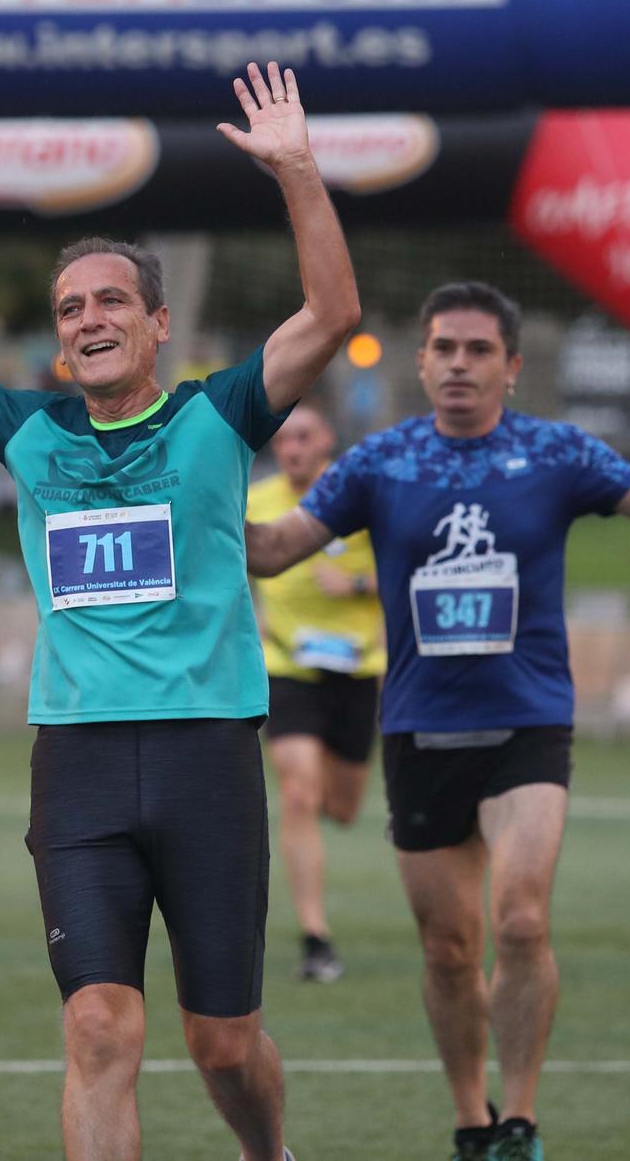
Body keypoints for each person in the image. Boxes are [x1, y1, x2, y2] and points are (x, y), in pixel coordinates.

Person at [0, 62, 357, 1161]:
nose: (88, 319)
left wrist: (297, 171)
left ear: (158, 323)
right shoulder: (24, 428)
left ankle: (269, 1151)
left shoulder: (221, 414)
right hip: (74, 760)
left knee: (222, 1041)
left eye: (111, 299)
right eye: (71, 308)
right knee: (95, 1026)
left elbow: (331, 312)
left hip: (206, 753)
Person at [246, 282, 630, 1161]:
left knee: (520, 920)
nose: (459, 365)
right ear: (421, 361)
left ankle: (518, 1120)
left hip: (526, 723)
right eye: (443, 348)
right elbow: (275, 546)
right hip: (417, 728)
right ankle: (471, 1118)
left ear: (512, 367)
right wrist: (189, 494)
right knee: (450, 947)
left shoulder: (555, 453)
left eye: (479, 351)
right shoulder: (382, 462)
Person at [246, 403, 385, 984]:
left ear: (328, 439)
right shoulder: (255, 501)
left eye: (304, 437)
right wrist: (251, 627)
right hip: (288, 667)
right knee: (299, 795)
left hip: (358, 669)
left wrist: (355, 583)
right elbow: (227, 572)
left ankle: (334, 785)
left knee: (344, 807)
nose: (292, 448)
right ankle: (315, 937)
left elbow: (413, 566)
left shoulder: (362, 497)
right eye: (283, 440)